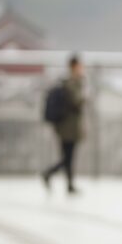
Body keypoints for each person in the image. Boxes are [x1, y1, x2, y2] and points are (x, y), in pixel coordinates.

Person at [42, 54, 86, 194]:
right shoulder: (72, 83)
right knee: (68, 157)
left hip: (63, 126)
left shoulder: (65, 82)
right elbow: (77, 101)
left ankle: (68, 184)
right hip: (69, 127)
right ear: (74, 66)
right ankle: (50, 173)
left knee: (67, 156)